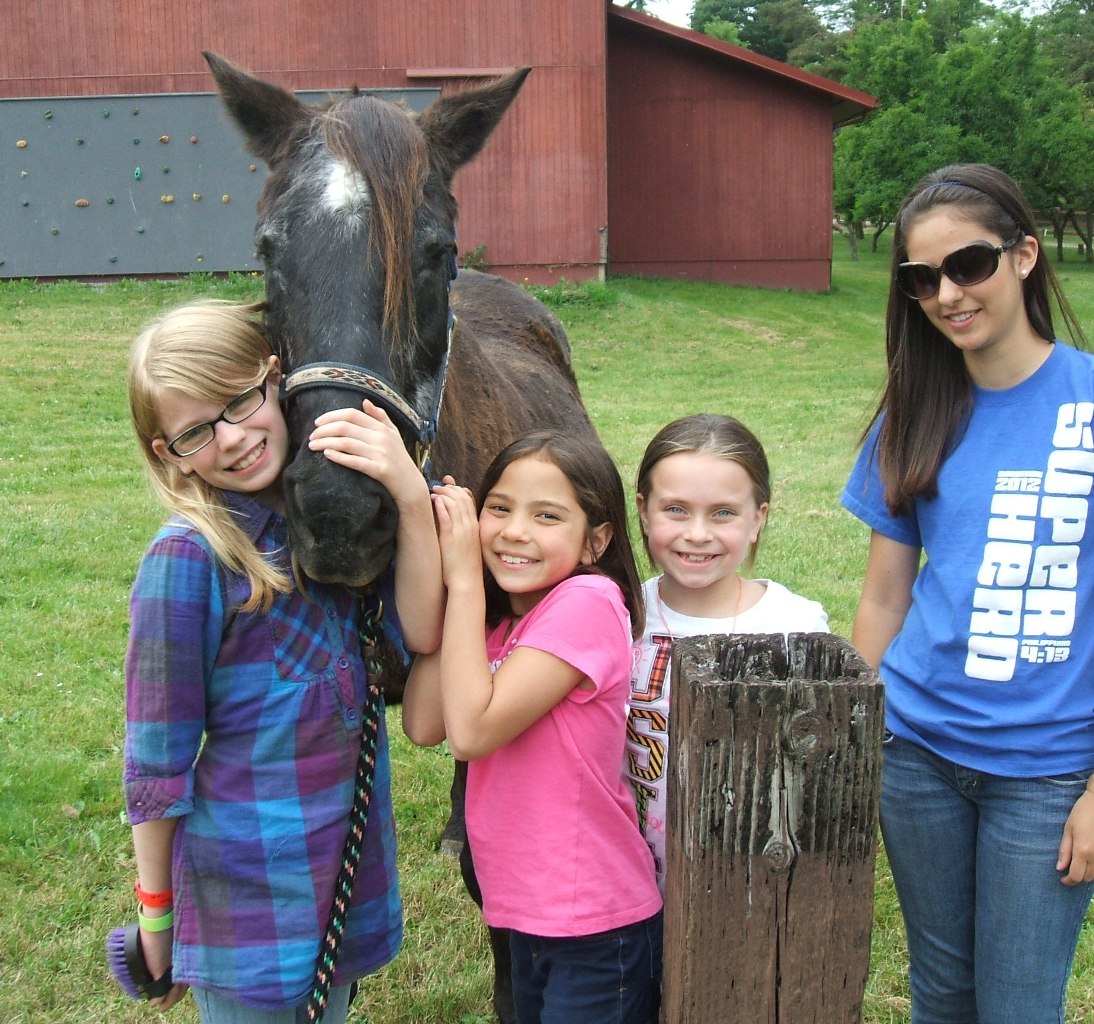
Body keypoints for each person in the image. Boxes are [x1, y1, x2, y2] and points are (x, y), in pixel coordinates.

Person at [840, 164, 1094, 1023]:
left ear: (1025, 255)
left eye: (968, 265)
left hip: (1046, 776)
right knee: (943, 996)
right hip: (915, 754)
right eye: (921, 279)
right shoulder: (914, 410)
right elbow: (885, 600)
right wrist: (852, 731)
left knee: (1018, 1007)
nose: (947, 294)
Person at [123, 298, 443, 1022]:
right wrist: (156, 916)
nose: (232, 438)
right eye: (196, 432)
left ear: (278, 380)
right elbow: (155, 762)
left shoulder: (330, 521)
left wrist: (408, 495)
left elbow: (419, 634)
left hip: (342, 876)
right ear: (165, 454)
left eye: (240, 402)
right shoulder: (189, 559)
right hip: (250, 900)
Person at [402, 430, 664, 1024]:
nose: (515, 532)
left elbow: (470, 732)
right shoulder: (496, 627)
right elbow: (423, 723)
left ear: (596, 540)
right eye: (498, 509)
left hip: (597, 923)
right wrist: (456, 590)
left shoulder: (589, 603)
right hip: (526, 912)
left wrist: (466, 576)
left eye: (547, 516)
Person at [626, 413, 829, 890]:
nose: (697, 533)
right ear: (643, 510)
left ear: (758, 518)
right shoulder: (619, 615)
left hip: (750, 884)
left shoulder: (795, 627)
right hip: (629, 883)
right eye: (675, 509)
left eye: (723, 512)